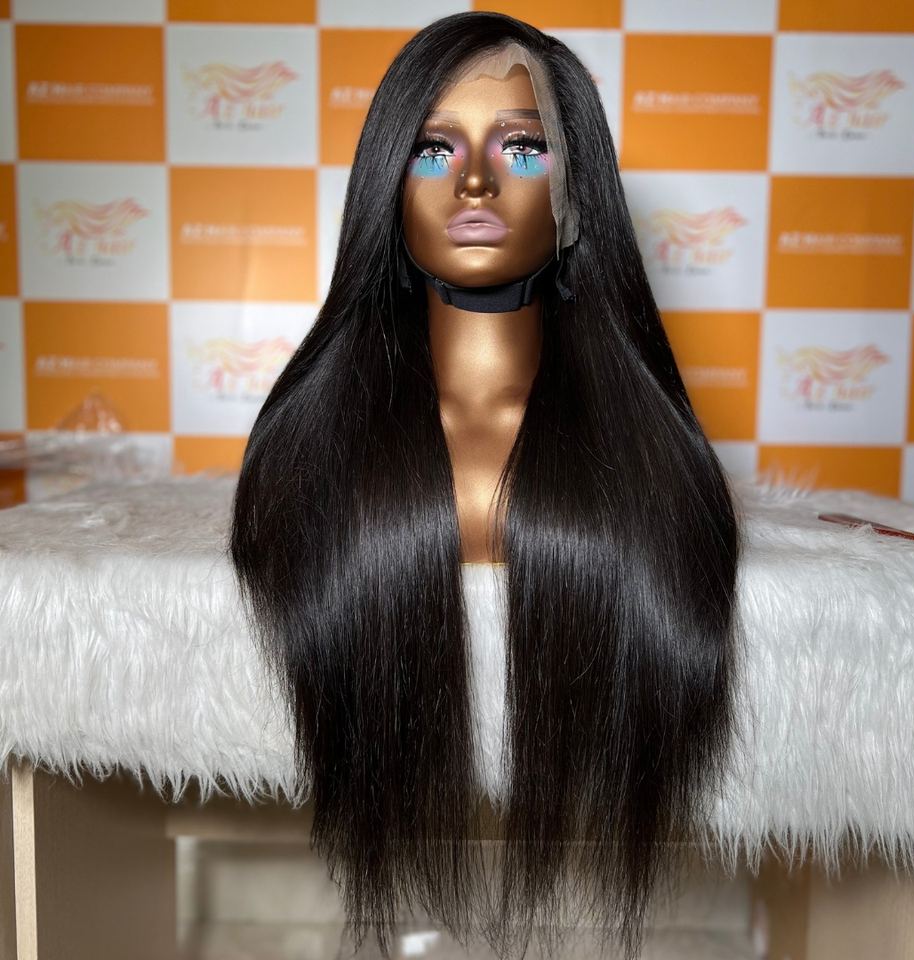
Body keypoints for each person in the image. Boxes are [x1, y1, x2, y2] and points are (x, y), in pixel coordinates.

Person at [230, 11, 744, 960]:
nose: (473, 181)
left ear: (578, 192)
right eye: (433, 150)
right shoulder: (308, 459)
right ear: (386, 186)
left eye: (522, 147)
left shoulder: (651, 466)